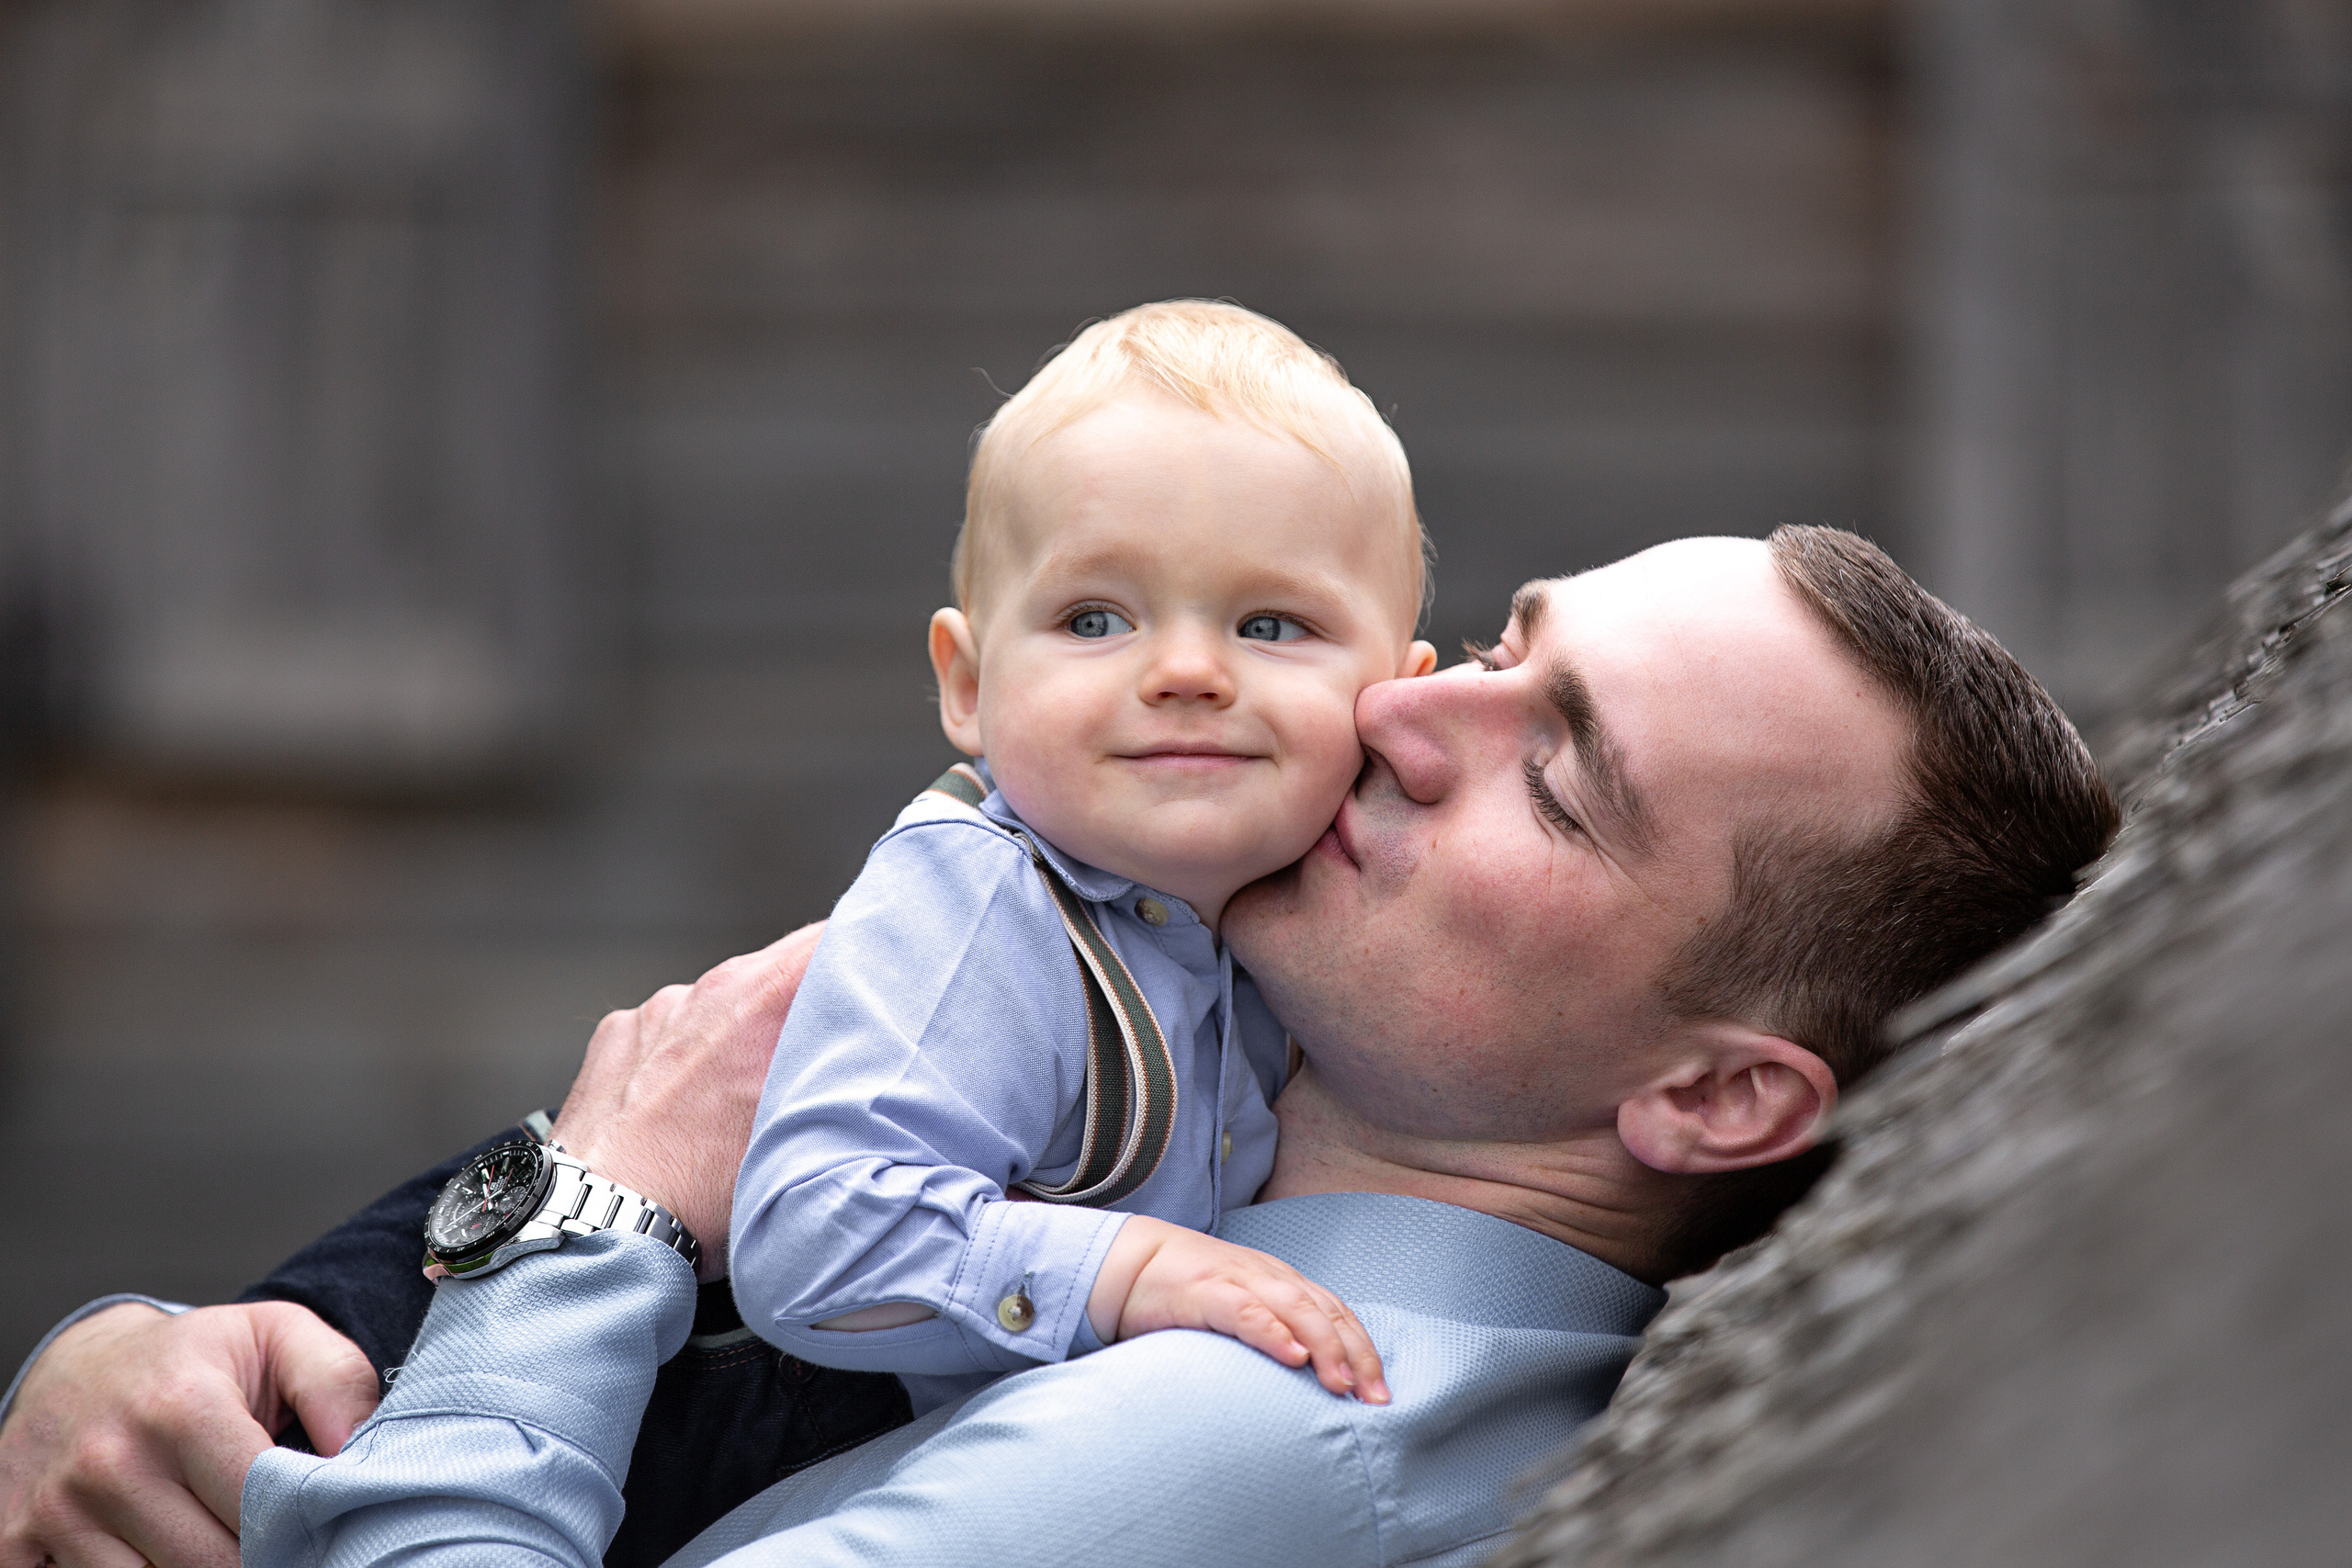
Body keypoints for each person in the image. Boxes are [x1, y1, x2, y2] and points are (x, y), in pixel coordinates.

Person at [0, 528, 2120, 1568]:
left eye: (1549, 776)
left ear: (1714, 1095)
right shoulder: (1142, 1123)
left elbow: (625, 1199)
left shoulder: (1265, 1441)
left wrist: (590, 1210)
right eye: (1489, 646)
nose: (1391, 706)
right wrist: (146, 1356)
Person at [729, 301, 1433, 1415]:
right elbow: (814, 1236)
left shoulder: (1333, 912)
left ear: (1396, 694)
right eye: (1097, 619)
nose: (1189, 671)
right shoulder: (980, 896)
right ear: (967, 684)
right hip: (764, 1445)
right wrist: (1133, 1271)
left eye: (1270, 625)